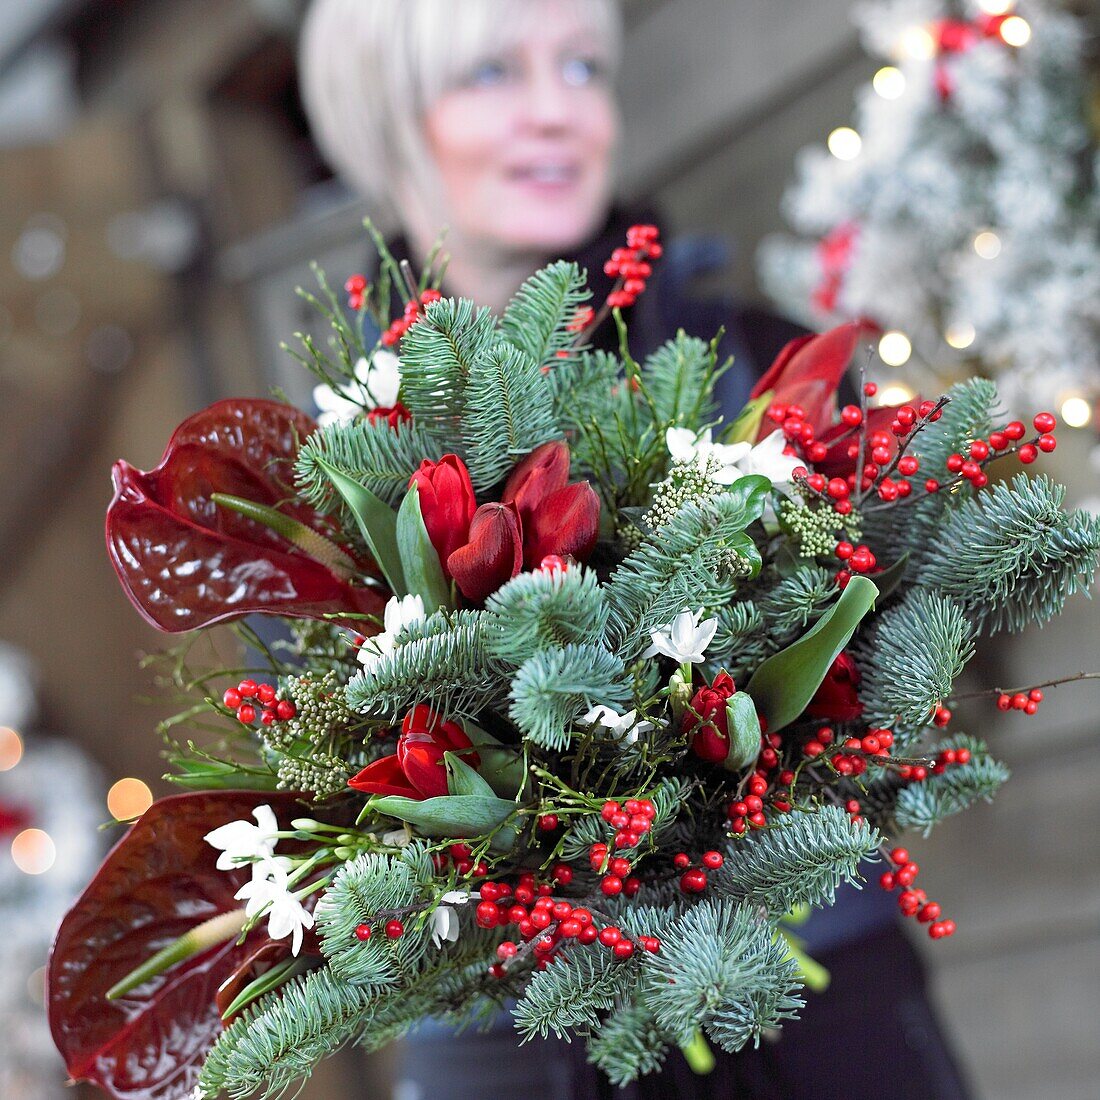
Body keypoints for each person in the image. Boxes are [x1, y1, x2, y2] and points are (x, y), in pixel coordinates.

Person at [298, 3, 971, 1097]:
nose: (557, 112)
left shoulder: (754, 363)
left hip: (822, 985)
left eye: (581, 67)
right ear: (384, 112)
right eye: (491, 73)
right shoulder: (339, 460)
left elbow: (906, 662)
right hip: (517, 1038)